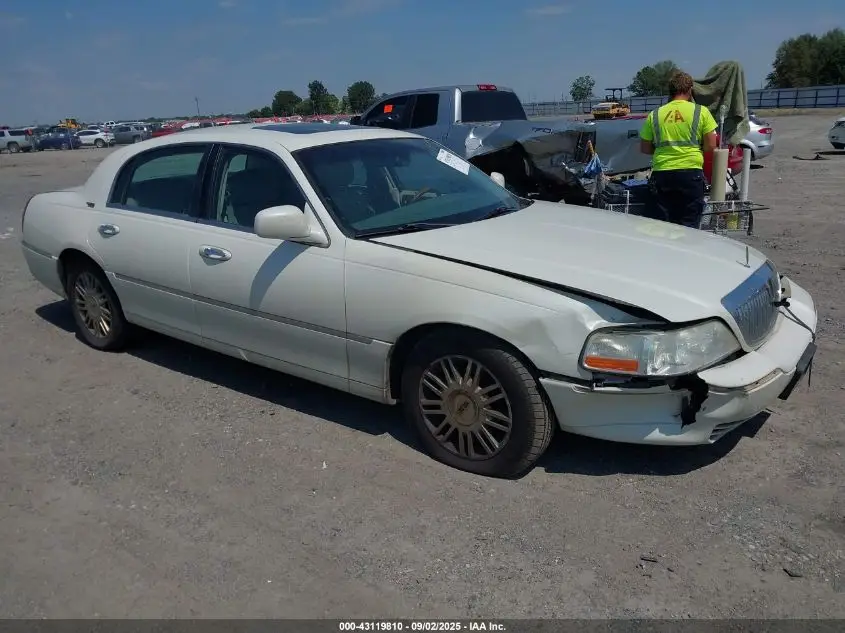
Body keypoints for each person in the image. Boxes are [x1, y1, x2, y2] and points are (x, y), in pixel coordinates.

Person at [639, 70, 718, 227]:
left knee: (662, 225)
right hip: (690, 174)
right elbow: (711, 145)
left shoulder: (655, 115)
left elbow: (645, 148)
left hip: (662, 174)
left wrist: (665, 151)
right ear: (690, 90)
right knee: (689, 224)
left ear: (670, 91)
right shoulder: (700, 112)